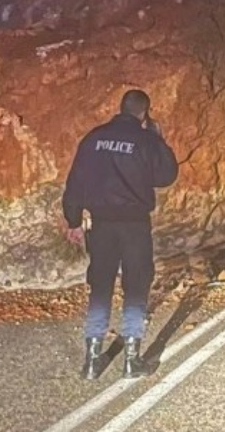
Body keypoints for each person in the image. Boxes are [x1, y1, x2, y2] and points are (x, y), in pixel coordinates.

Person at [62, 89, 179, 380]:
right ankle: (131, 359)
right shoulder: (146, 140)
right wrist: (158, 139)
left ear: (121, 108)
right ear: (144, 112)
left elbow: (75, 182)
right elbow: (166, 176)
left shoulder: (94, 138)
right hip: (134, 225)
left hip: (101, 225)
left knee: (100, 286)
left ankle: (91, 361)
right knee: (136, 285)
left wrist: (73, 221)